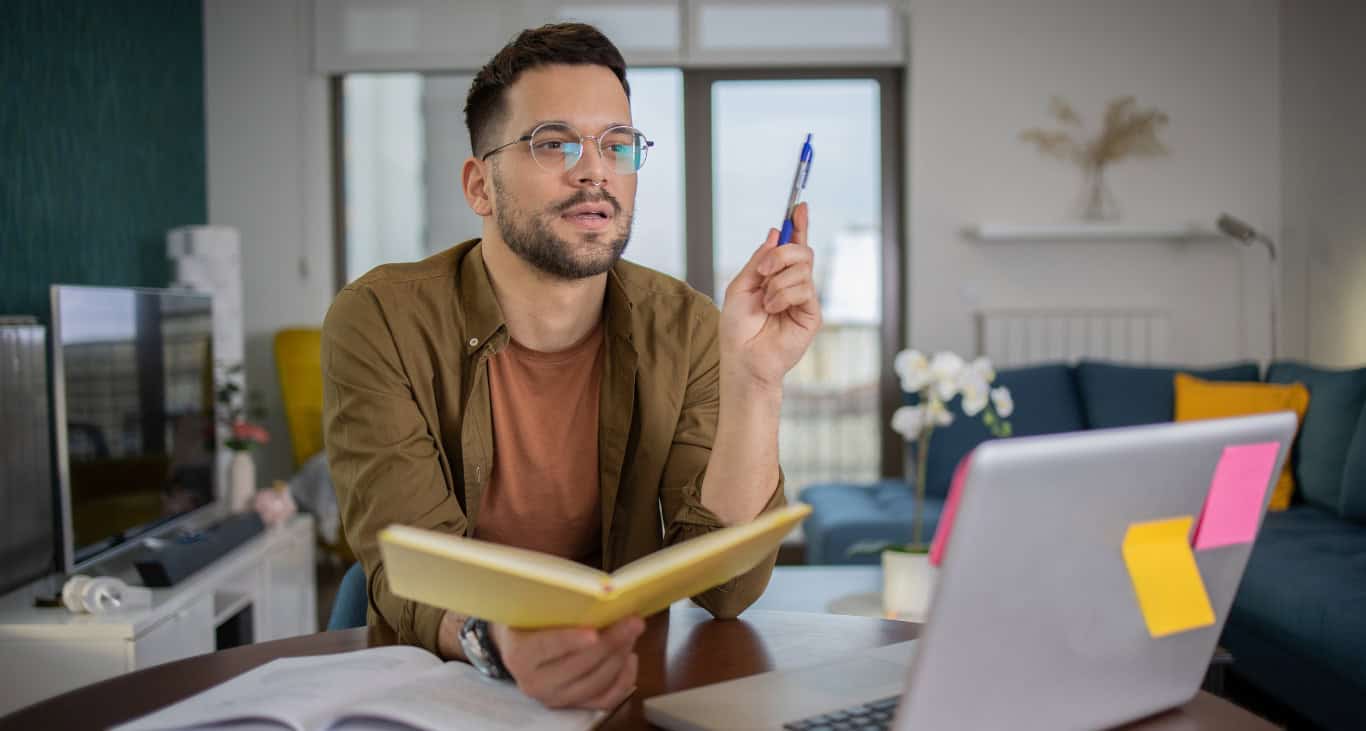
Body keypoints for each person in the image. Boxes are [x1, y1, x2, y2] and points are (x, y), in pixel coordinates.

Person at [321, 22, 820, 711]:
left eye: (618, 145)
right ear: (480, 186)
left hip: (620, 686)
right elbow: (406, 563)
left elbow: (726, 586)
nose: (595, 170)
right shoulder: (379, 317)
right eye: (553, 143)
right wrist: (503, 643)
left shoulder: (689, 326)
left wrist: (757, 381)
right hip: (441, 691)